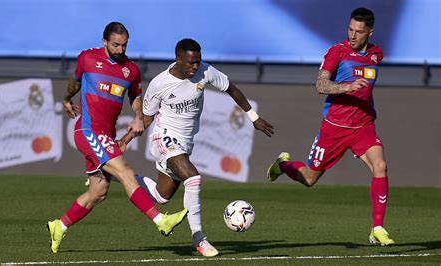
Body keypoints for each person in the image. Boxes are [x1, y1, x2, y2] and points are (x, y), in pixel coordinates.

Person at [119, 38, 274, 257]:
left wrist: (254, 117)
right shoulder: (159, 84)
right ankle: (198, 238)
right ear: (178, 59)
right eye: (191, 62)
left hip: (185, 142)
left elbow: (231, 88)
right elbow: (145, 119)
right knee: (193, 178)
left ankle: (116, 173)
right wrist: (125, 140)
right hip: (163, 138)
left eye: (198, 62)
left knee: (160, 196)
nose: (195, 67)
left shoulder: (205, 71)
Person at [46, 22, 188, 254]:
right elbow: (76, 81)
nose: (120, 50)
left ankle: (58, 226)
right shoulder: (88, 58)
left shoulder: (131, 70)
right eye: (115, 45)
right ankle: (160, 221)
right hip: (88, 130)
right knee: (126, 172)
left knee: (98, 192)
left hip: (106, 134)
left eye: (124, 45)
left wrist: (138, 116)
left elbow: (135, 96)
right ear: (104, 41)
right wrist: (66, 98)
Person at [266, 7, 394, 246]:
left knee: (381, 166)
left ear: (370, 32)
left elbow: (367, 87)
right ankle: (283, 164)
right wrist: (346, 87)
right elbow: (320, 84)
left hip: (363, 126)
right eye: (350, 29)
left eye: (358, 31)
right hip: (334, 128)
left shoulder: (377, 55)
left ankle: (377, 227)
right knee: (309, 179)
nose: (353, 35)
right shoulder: (337, 52)